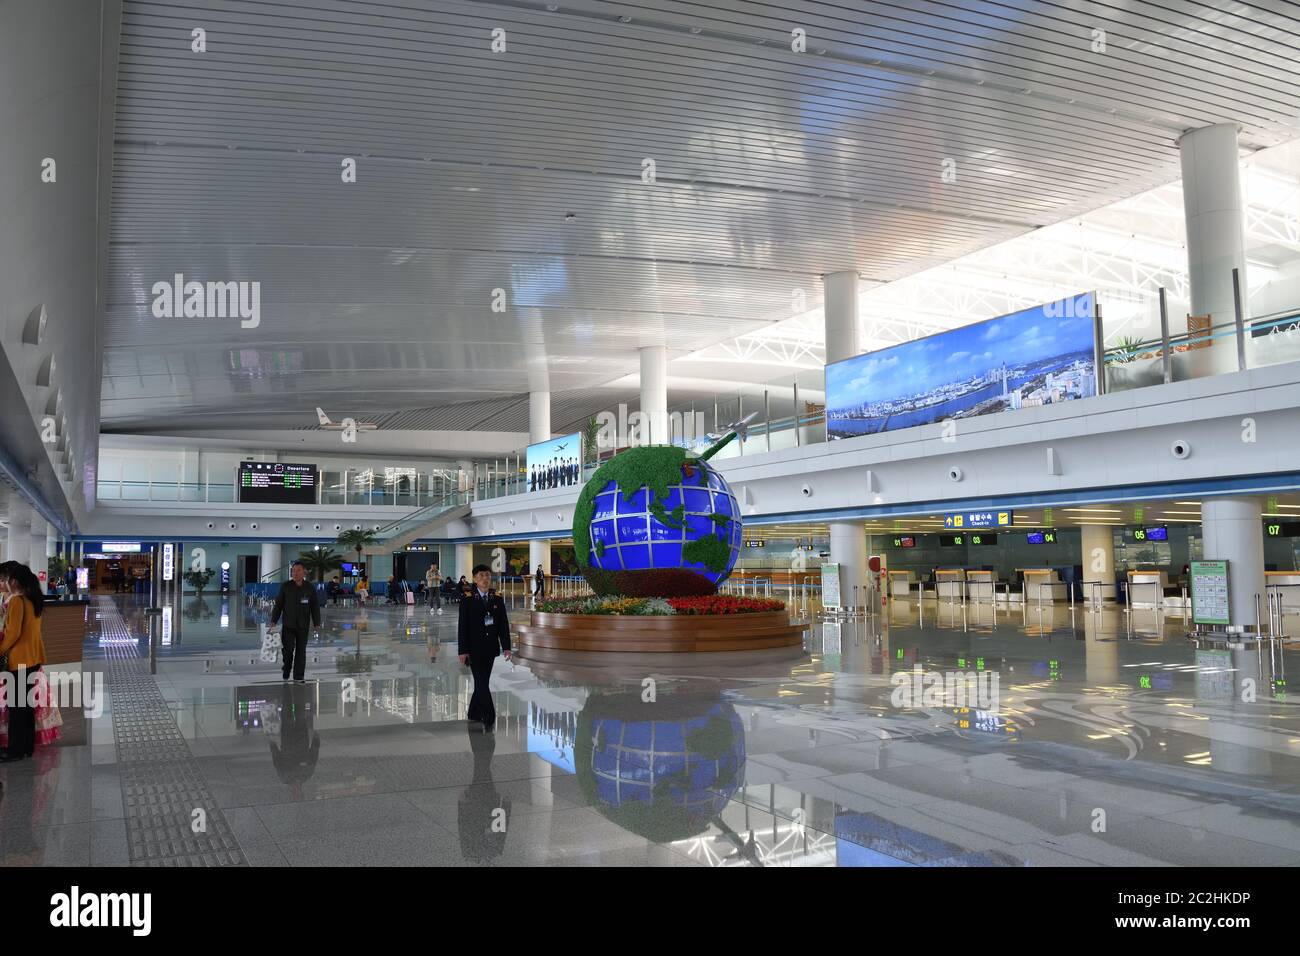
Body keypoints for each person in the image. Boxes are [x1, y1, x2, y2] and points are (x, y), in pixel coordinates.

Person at [0, 562, 48, 762]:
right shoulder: (33, 599)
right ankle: (27, 747)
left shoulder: (18, 601)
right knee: (26, 707)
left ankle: (15, 750)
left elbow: (12, 634)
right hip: (33, 659)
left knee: (17, 708)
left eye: (5, 579)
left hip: (19, 661)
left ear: (13, 581)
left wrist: (0, 651)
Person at [457, 564, 511, 731]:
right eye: (481, 576)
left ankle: (473, 712)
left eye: (487, 575)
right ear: (474, 579)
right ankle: (489, 716)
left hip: (490, 648)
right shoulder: (467, 598)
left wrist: (507, 647)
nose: (485, 579)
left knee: (483, 681)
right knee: (481, 682)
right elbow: (462, 626)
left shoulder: (496, 597)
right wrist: (462, 650)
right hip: (473, 649)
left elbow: (503, 624)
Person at [267, 561, 321, 683]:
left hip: (303, 625)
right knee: (288, 650)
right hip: (288, 624)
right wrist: (273, 620)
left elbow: (315, 606)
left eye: (298, 570)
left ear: (304, 572)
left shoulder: (309, 587)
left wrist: (316, 622)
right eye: (293, 571)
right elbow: (279, 604)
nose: (295, 573)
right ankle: (286, 668)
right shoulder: (286, 586)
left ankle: (298, 676)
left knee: (301, 651)